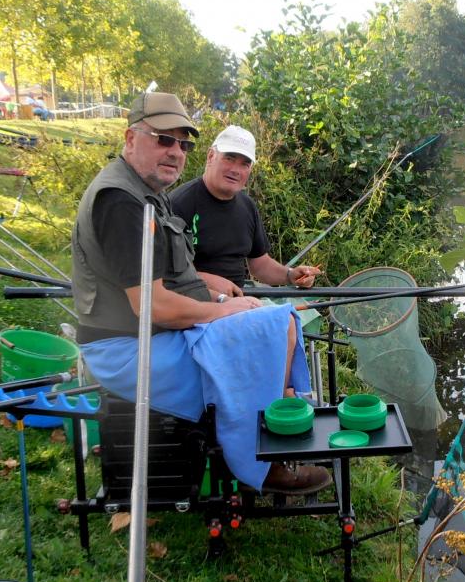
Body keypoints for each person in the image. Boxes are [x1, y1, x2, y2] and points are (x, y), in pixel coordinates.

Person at [72, 92, 328, 493]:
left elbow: (178, 279)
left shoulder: (146, 192)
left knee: (279, 323)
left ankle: (272, 438)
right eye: (163, 139)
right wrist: (224, 310)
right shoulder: (121, 201)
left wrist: (230, 300)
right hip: (127, 349)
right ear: (130, 138)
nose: (175, 151)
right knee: (273, 330)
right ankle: (258, 462)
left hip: (155, 333)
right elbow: (151, 305)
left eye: (182, 143)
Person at [170, 125, 320, 299]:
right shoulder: (179, 204)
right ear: (211, 156)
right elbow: (166, 272)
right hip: (194, 302)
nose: (235, 170)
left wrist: (290, 275)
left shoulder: (247, 206)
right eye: (229, 159)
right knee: (286, 322)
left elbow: (260, 265)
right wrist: (206, 281)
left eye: (245, 164)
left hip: (239, 301)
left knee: (289, 318)